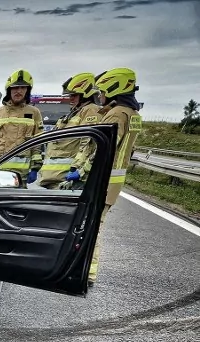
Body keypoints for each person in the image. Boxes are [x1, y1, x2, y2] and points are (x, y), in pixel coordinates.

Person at [87, 67, 142, 286]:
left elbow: (104, 147)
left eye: (102, 91)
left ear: (113, 88)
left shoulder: (118, 113)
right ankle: (87, 271)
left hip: (103, 178)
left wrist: (83, 170)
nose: (99, 95)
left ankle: (88, 272)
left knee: (93, 225)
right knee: (96, 223)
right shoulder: (134, 114)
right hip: (114, 180)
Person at [0, 69, 44, 185]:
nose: (18, 91)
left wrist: (35, 168)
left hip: (18, 174)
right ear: (9, 90)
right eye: (15, 88)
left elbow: (37, 143)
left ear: (28, 90)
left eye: (23, 88)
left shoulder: (33, 113)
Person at [38, 73, 102, 190]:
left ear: (86, 94)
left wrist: (77, 170)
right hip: (56, 178)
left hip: (67, 179)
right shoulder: (74, 113)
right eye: (70, 95)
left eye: (74, 95)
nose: (70, 98)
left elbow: (88, 144)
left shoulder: (90, 110)